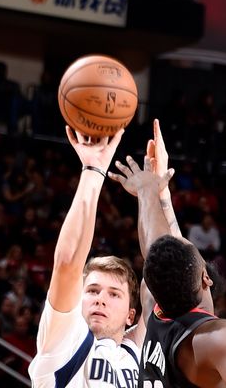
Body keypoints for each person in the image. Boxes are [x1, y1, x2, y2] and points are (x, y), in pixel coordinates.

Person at [108, 119, 226, 387]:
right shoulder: (216, 340)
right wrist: (149, 191)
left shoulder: (152, 305)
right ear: (206, 278)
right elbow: (160, 246)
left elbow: (158, 248)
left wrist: (153, 190)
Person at [27, 127, 150, 387]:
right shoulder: (64, 341)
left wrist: (155, 194)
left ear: (131, 316)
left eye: (113, 294)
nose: (100, 300)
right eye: (92, 290)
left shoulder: (133, 353)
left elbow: (163, 280)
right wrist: (93, 171)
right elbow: (67, 263)